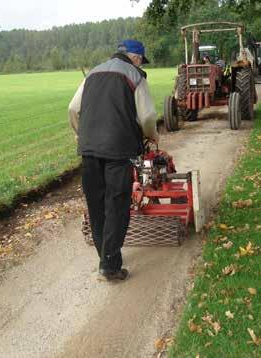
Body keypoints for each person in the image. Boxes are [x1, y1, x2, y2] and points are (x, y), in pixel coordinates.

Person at [68, 40, 158, 282]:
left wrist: (82, 136)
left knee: (97, 206)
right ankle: (109, 266)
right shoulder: (135, 75)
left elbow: (73, 109)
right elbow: (147, 116)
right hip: (119, 151)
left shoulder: (94, 73)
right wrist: (152, 136)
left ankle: (106, 258)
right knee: (116, 205)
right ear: (136, 57)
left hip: (88, 151)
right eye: (141, 59)